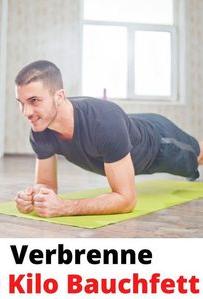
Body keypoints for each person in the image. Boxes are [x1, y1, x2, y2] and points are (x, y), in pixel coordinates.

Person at [14, 60, 203, 218]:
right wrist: (34, 197)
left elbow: (127, 199)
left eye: (34, 101)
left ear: (59, 97)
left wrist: (64, 207)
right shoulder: (40, 131)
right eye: (21, 103)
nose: (26, 112)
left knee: (198, 156)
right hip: (128, 130)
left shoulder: (103, 122)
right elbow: (46, 185)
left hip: (160, 143)